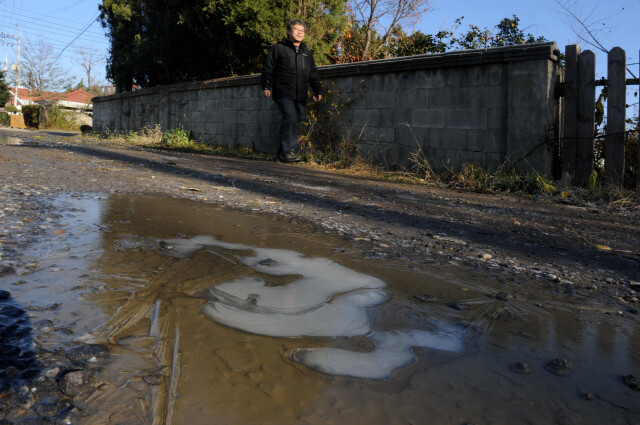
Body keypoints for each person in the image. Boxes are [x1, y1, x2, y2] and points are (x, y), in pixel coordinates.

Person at [261, 19, 323, 163]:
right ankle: (289, 152)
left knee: (295, 121)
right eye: (296, 29)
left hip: (300, 94)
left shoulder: (307, 54)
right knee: (290, 117)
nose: (300, 32)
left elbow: (313, 74)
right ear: (288, 31)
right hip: (283, 92)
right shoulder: (278, 48)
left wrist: (317, 90)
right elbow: (268, 69)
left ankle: (282, 154)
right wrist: (266, 86)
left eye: (302, 30)